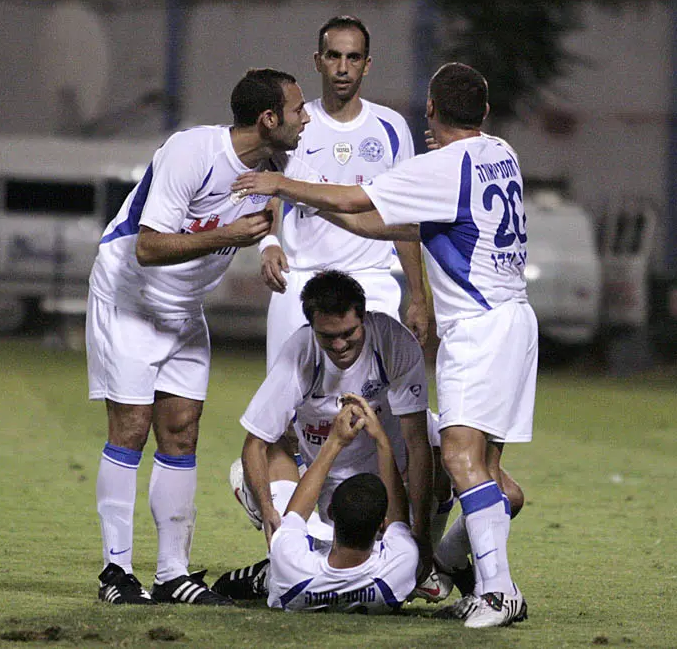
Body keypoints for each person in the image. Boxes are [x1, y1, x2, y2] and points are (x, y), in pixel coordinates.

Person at [231, 62, 537, 628]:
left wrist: (281, 184)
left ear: (430, 110)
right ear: (485, 113)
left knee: (462, 460)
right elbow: (396, 225)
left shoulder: (443, 165)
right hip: (516, 321)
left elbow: (358, 198)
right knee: (492, 475)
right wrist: (320, 207)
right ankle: (451, 566)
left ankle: (497, 591)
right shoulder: (501, 152)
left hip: (479, 326)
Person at [87, 67, 318, 605]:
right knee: (131, 427)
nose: (305, 117)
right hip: (130, 299)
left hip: (184, 308)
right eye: (297, 109)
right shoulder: (192, 152)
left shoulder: (277, 161)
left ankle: (172, 574)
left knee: (183, 430)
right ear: (268, 119)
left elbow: (268, 208)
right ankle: (115, 574)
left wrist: (265, 246)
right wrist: (229, 235)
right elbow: (148, 246)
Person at [229, 271, 434, 584]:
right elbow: (254, 442)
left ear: (363, 317)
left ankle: (432, 563)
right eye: (327, 336)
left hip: (386, 478)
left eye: (348, 333)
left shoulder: (393, 343)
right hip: (325, 483)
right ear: (312, 327)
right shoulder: (300, 352)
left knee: (438, 445)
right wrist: (269, 510)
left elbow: (416, 442)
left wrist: (420, 533)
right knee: (274, 443)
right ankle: (261, 499)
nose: (338, 345)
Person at [259, 15, 428, 370]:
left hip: (372, 280)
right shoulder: (296, 123)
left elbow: (404, 217)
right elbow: (271, 188)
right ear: (317, 61)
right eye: (333, 56)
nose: (342, 67)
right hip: (303, 277)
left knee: (373, 405)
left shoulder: (392, 128)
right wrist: (269, 243)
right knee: (288, 407)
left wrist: (418, 297)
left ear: (366, 65)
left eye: (353, 58)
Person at [266, 394, 419, 613]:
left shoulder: (290, 560)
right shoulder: (400, 566)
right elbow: (399, 518)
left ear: (330, 511)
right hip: (327, 554)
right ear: (382, 526)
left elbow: (295, 515)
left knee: (275, 450)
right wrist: (382, 440)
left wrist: (334, 442)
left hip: (303, 562)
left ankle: (260, 574)